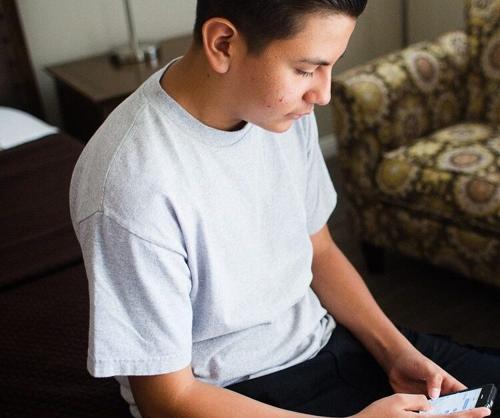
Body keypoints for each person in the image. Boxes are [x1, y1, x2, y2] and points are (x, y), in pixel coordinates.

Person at [69, 1, 500, 417]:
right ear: (223, 44)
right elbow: (167, 401)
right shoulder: (130, 183)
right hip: (230, 393)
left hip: (326, 341)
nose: (323, 94)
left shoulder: (282, 111)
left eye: (329, 66)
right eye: (306, 69)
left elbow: (320, 250)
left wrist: (395, 352)